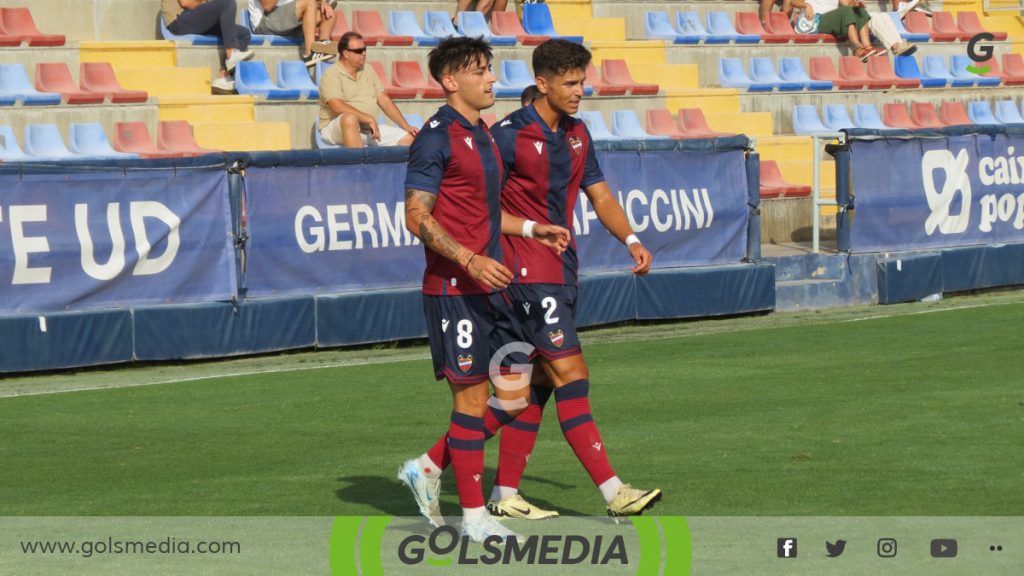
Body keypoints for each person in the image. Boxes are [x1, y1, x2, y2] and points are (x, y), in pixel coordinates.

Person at [400, 36, 571, 542]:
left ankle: (429, 466)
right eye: (480, 72)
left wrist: (529, 229)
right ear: (451, 81)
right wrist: (469, 258)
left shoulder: (483, 133)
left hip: (491, 284)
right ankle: (475, 519)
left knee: (518, 394)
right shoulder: (434, 138)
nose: (491, 79)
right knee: (472, 401)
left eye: (491, 70)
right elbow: (416, 215)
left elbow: (482, 211)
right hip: (455, 288)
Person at [488, 38, 662, 519]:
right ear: (541, 84)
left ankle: (503, 495)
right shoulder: (506, 135)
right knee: (571, 372)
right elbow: (479, 206)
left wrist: (631, 239)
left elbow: (601, 196)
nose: (579, 90)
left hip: (560, 270)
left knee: (533, 382)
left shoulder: (578, 134)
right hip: (524, 272)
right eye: (569, 82)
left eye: (582, 81)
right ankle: (614, 493)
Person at [318, 32, 417, 148]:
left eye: (364, 49)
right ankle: (357, 165)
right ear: (346, 53)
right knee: (349, 119)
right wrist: (368, 118)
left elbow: (383, 100)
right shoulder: (331, 74)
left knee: (409, 139)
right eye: (359, 51)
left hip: (367, 128)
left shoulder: (368, 69)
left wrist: (405, 125)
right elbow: (337, 106)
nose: (364, 53)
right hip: (335, 129)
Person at [162, 0, 254, 93]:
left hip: (194, 19)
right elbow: (186, 2)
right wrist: (204, 4)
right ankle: (231, 52)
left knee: (244, 34)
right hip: (179, 21)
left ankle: (223, 76)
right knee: (228, 2)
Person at [248, 0, 336, 66]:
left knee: (329, 13)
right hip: (265, 22)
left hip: (289, 22)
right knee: (309, 2)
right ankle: (310, 53)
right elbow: (268, 5)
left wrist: (323, 2)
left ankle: (322, 48)